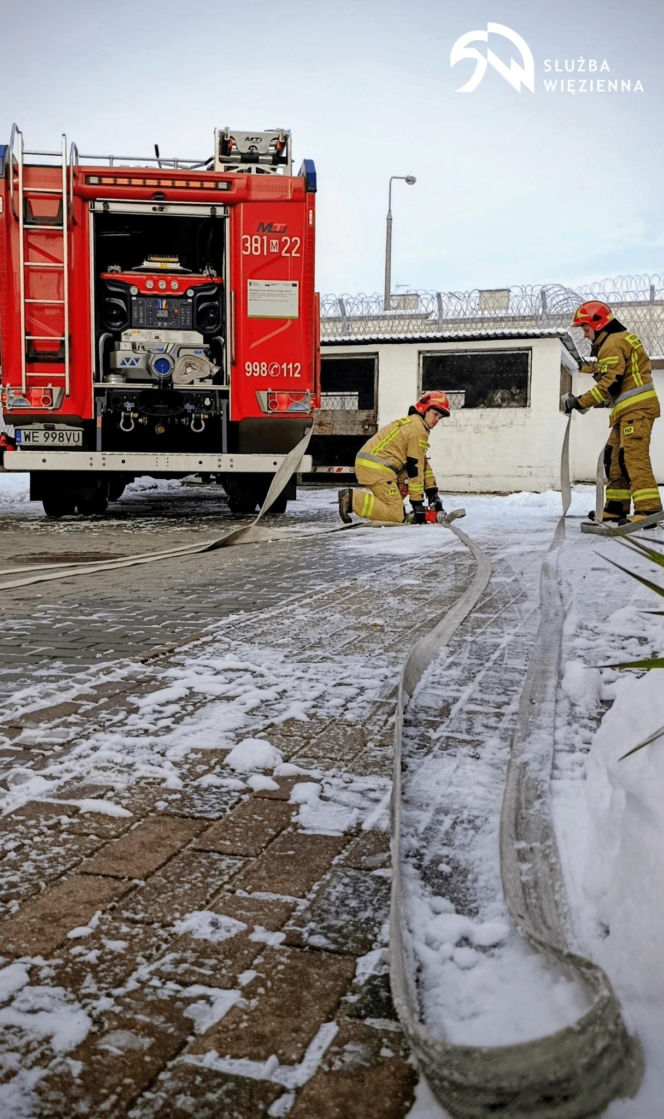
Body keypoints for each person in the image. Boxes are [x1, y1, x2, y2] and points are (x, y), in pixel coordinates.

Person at [564, 300, 662, 525]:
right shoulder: (617, 341)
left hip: (636, 410)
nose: (586, 335)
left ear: (598, 324)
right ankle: (617, 508)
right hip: (625, 412)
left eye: (586, 329)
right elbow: (614, 370)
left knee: (633, 458)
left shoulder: (612, 343)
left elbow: (610, 382)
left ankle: (649, 510)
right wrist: (587, 367)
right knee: (615, 459)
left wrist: (580, 402)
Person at [338, 390, 450, 524]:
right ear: (424, 409)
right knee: (396, 516)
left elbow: (422, 463)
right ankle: (351, 499)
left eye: (440, 417)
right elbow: (415, 467)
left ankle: (393, 507)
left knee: (405, 483)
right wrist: (417, 503)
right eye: (435, 414)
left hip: (376, 464)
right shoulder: (417, 430)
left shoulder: (415, 424)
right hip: (376, 468)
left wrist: (432, 493)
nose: (436, 420)